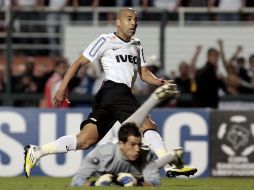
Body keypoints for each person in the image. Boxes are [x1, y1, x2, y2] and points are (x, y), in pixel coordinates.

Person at [24, 8, 197, 178]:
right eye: (129, 19)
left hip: (111, 96)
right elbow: (78, 63)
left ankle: (37, 151)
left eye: (135, 20)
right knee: (148, 126)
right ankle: (169, 165)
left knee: (85, 140)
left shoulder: (137, 44)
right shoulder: (105, 40)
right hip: (114, 89)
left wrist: (158, 81)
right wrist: (62, 87)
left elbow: (144, 74)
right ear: (118, 22)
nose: (133, 23)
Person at [71, 123, 186, 187]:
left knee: (153, 165)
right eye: (132, 144)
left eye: (139, 144)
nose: (137, 149)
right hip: (128, 168)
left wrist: (136, 182)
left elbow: (155, 182)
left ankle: (173, 156)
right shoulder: (101, 154)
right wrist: (95, 183)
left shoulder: (145, 155)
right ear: (121, 143)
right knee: (154, 165)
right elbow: (77, 181)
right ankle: (173, 155)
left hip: (140, 171)